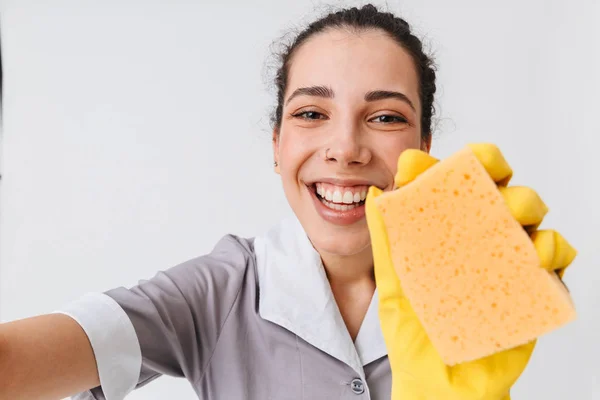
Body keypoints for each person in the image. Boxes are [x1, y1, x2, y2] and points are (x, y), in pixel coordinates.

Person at [0, 4, 575, 400]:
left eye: (384, 117)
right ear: (278, 145)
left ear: (424, 147)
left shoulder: (478, 284)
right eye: (311, 114)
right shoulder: (214, 294)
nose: (345, 149)